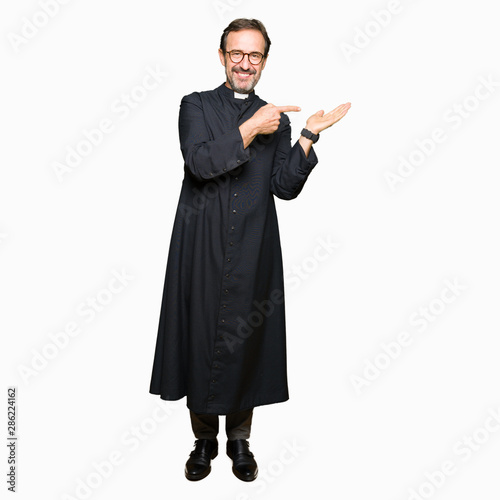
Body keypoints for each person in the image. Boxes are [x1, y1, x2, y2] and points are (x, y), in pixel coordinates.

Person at [149, 17, 351, 482]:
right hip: (200, 244)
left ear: (264, 62)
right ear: (222, 57)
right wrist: (251, 127)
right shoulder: (195, 105)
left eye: (254, 55)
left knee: (246, 337)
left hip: (254, 246)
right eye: (236, 53)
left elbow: (284, 187)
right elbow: (199, 164)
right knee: (201, 334)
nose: (245, 63)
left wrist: (306, 136)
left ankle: (239, 440)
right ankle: (204, 440)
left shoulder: (276, 119)